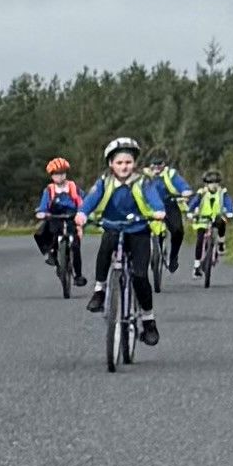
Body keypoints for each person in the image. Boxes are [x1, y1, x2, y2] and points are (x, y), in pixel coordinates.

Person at [79, 137, 167, 343]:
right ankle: (99, 291)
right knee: (105, 249)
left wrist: (158, 211)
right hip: (112, 227)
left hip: (139, 230)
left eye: (128, 162)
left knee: (140, 275)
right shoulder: (104, 181)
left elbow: (154, 199)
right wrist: (82, 213)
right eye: (119, 162)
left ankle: (148, 321)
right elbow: (91, 200)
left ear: (134, 163)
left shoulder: (143, 181)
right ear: (111, 164)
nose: (124, 166)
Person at [145, 149, 195, 272]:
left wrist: (185, 192)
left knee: (178, 231)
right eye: (153, 164)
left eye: (159, 164)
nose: (156, 167)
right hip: (148, 207)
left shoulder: (171, 174)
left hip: (169, 204)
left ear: (164, 164)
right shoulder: (144, 176)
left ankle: (173, 257)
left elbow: (182, 185)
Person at [35, 157, 85, 280]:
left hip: (71, 216)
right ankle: (50, 253)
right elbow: (43, 204)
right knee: (43, 232)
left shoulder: (73, 187)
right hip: (55, 216)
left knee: (75, 245)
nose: (60, 177)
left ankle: (78, 275)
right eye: (56, 174)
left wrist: (83, 211)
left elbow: (84, 200)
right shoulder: (49, 190)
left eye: (62, 173)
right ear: (52, 176)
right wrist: (41, 212)